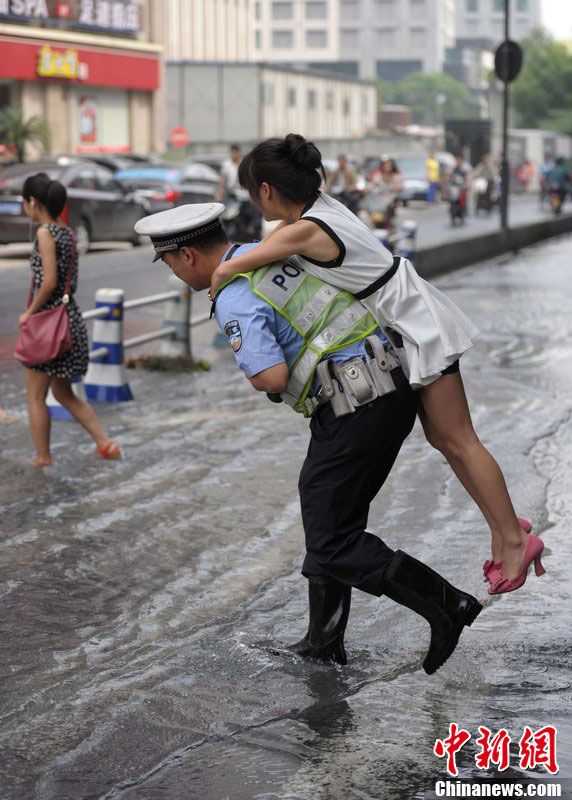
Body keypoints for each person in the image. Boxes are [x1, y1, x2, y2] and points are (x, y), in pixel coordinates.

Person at [134, 202, 484, 674]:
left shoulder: (235, 293)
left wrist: (255, 371)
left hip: (355, 405)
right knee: (328, 516)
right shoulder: (266, 254)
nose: (175, 273)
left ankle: (447, 605)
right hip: (388, 389)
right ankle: (323, 641)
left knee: (332, 533)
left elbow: (272, 378)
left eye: (171, 262)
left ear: (188, 255)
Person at [208, 134, 544, 597]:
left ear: (265, 190)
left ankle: (514, 539)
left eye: (251, 190)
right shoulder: (322, 207)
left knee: (458, 438)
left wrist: (221, 274)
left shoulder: (305, 229)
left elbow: (236, 265)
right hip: (407, 315)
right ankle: (506, 529)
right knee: (446, 437)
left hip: (412, 320)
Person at [19, 173, 120, 466]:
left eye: (24, 201)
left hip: (47, 324)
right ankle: (105, 442)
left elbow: (48, 281)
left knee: (36, 395)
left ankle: (43, 457)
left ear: (33, 201)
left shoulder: (44, 233)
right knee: (63, 392)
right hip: (69, 320)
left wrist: (29, 312)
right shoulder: (68, 232)